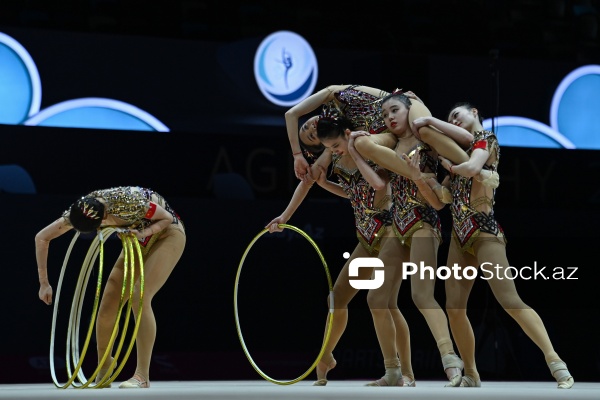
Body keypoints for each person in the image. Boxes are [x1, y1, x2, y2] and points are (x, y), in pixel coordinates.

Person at [428, 102, 574, 389]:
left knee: (510, 301)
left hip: (484, 233)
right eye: (450, 119)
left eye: (457, 114)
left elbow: (471, 167)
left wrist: (450, 163)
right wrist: (425, 177)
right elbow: (442, 199)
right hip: (459, 239)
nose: (454, 120)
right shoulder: (455, 156)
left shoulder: (487, 140)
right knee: (454, 308)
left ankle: (557, 364)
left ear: (474, 112)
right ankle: (471, 372)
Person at [266, 115, 416, 387]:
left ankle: (401, 371)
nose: (332, 149)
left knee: (385, 303)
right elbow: (326, 186)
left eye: (335, 143)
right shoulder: (333, 153)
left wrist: (355, 152)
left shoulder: (367, 144)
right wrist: (286, 216)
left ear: (344, 132)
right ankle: (326, 357)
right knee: (336, 299)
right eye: (323, 143)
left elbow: (379, 185)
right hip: (367, 238)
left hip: (392, 232)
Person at [351, 92, 465, 386]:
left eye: (395, 111)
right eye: (385, 113)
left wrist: (418, 110)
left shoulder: (424, 138)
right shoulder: (390, 143)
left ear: (410, 111)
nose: (390, 117)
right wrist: (358, 140)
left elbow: (440, 203)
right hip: (398, 227)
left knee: (421, 295)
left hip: (424, 223)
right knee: (375, 297)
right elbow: (365, 146)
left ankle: (450, 359)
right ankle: (393, 371)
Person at [35, 186, 186, 389]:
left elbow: (166, 218)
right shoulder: (78, 211)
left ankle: (142, 375)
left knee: (139, 295)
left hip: (167, 234)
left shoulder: (129, 201)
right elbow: (42, 237)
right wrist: (44, 283)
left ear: (105, 215)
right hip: (136, 241)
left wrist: (144, 232)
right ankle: (105, 367)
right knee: (108, 302)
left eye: (100, 226)